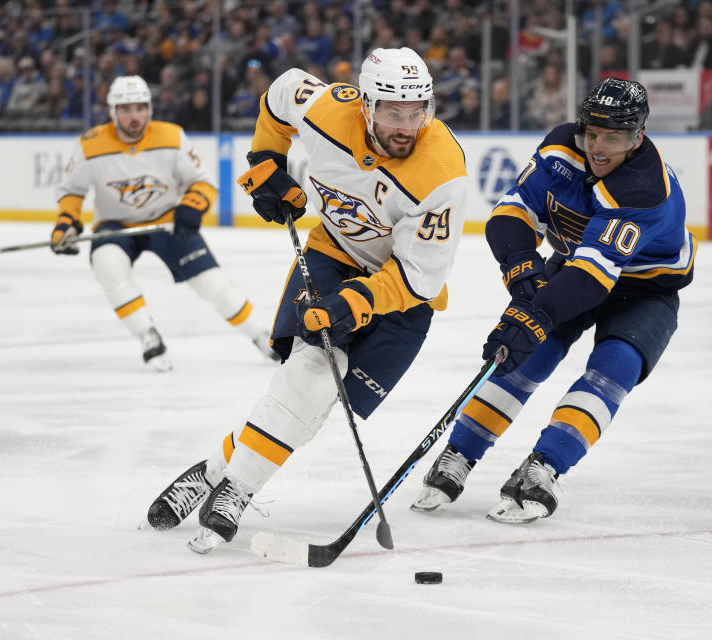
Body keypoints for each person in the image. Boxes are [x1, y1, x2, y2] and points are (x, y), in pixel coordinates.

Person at [145, 47, 469, 552]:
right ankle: (239, 489)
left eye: (417, 111)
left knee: (315, 405)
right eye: (391, 111)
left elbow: (418, 279)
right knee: (313, 372)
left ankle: (211, 470)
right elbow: (280, 93)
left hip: (402, 297)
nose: (406, 125)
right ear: (364, 104)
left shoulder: (442, 173)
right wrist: (266, 161)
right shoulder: (326, 109)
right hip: (332, 254)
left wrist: (349, 304)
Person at [411, 78, 697, 523]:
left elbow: (592, 278)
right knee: (523, 356)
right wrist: (522, 272)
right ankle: (459, 454)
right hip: (574, 266)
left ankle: (544, 466)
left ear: (637, 137)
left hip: (645, 286)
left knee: (614, 367)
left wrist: (535, 312)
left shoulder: (643, 189)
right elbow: (509, 214)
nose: (598, 147)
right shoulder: (561, 147)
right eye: (591, 133)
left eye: (614, 138)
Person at [51, 75, 278, 371]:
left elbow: (202, 182)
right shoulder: (90, 145)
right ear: (113, 112)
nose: (135, 117)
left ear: (150, 109)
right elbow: (72, 190)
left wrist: (192, 207)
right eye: (126, 109)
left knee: (213, 285)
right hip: (115, 225)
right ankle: (147, 334)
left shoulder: (170, 136)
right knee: (108, 264)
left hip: (167, 221)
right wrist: (66, 223)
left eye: (140, 108)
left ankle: (260, 335)